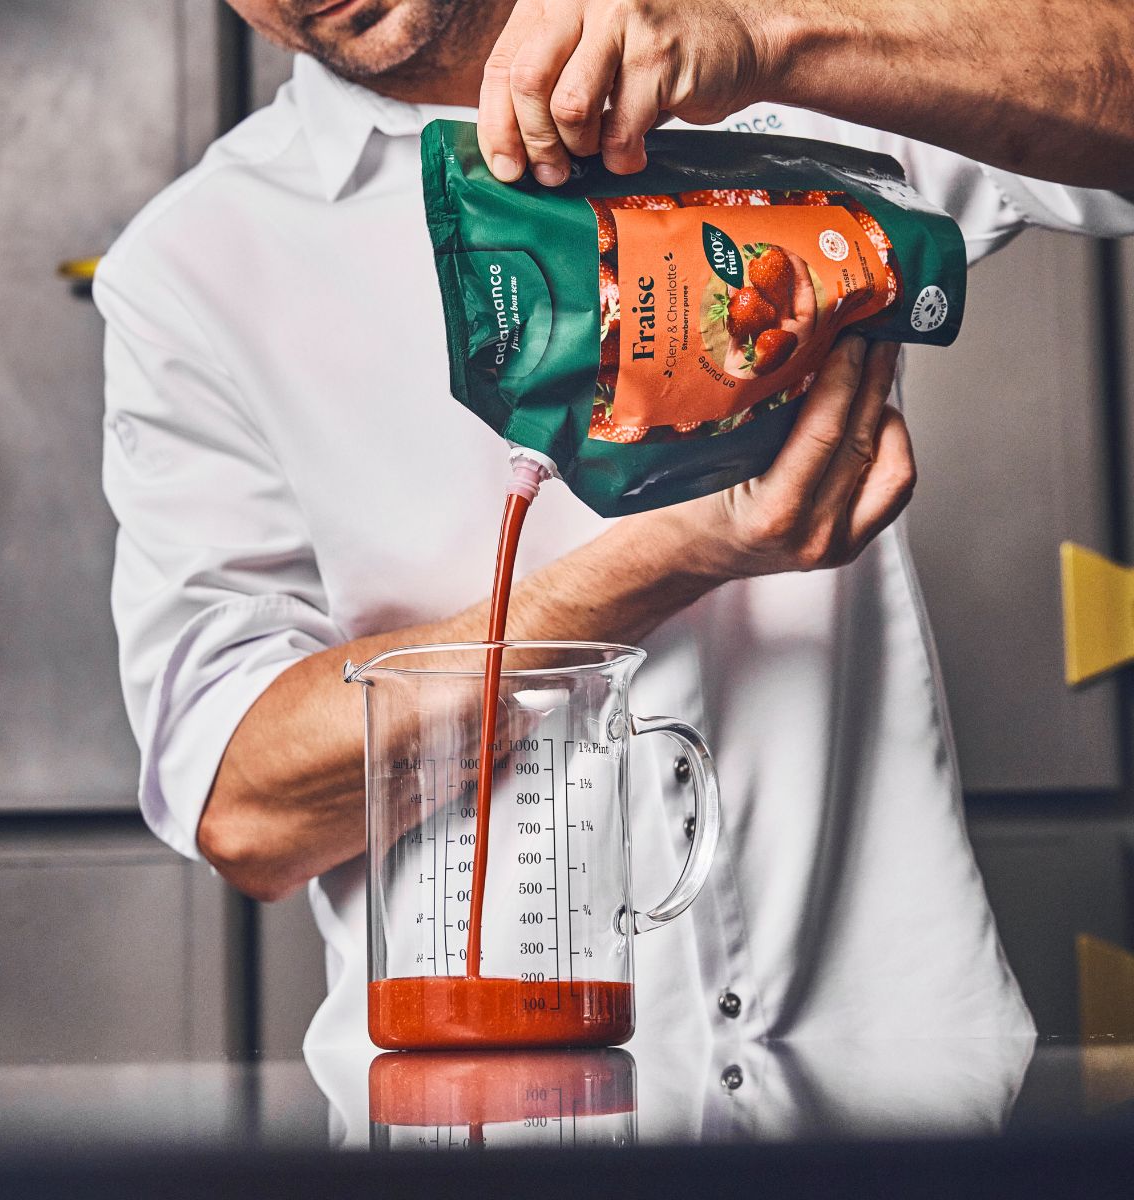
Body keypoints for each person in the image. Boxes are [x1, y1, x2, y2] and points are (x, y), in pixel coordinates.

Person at [95, 0, 1134, 1051]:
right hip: (479, 1113)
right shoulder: (194, 266)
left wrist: (775, 40)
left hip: (894, 1079)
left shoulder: (725, 37)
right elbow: (244, 809)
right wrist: (673, 560)